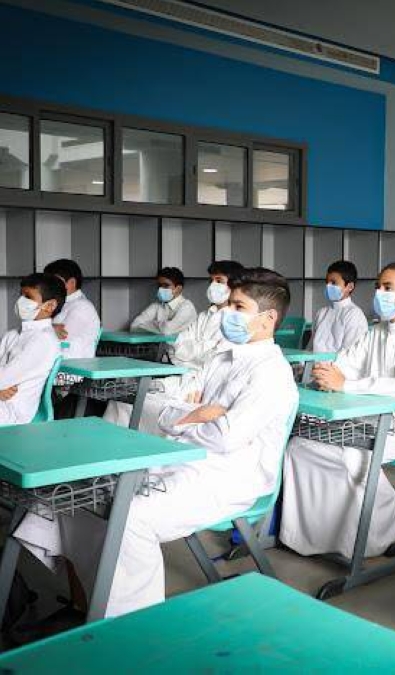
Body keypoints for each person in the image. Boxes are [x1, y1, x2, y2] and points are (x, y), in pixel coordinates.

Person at [14, 268, 298, 618]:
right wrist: (195, 415)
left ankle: (130, 625)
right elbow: (173, 406)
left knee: (131, 517)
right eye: (229, 304)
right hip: (183, 455)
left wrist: (188, 417)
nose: (226, 313)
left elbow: (226, 437)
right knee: (80, 491)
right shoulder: (221, 357)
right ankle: (85, 602)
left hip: (229, 477)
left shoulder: (271, 374)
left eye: (238, 307)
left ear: (268, 319)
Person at [280, 262, 395, 559]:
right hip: (370, 420)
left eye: (388, 288)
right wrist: (326, 372)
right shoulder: (375, 332)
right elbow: (346, 362)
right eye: (378, 287)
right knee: (300, 446)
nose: (379, 293)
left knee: (353, 456)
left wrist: (347, 385)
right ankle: (319, 533)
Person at [103, 260, 244, 434]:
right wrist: (203, 347)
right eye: (211, 281)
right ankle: (116, 442)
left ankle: (143, 446)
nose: (212, 285)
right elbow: (177, 348)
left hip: (200, 384)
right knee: (122, 397)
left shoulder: (235, 321)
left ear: (234, 285)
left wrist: (191, 348)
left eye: (219, 281)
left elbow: (215, 357)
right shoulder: (204, 315)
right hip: (182, 375)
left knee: (155, 407)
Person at [0, 274, 65, 425]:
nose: (20, 301)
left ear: (50, 305)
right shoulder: (12, 334)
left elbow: (2, 379)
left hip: (12, 411)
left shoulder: (43, 340)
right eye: (21, 295)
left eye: (28, 297)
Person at [43, 259, 100, 359]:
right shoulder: (61, 303)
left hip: (72, 365)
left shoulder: (82, 307)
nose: (50, 287)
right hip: (57, 360)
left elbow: (62, 337)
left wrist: (45, 327)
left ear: (72, 283)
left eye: (55, 282)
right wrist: (50, 328)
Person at [310, 260, 368, 353]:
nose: (328, 286)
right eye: (327, 282)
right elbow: (310, 347)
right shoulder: (321, 313)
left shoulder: (354, 314)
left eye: (333, 283)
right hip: (313, 361)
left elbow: (350, 354)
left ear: (350, 287)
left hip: (338, 363)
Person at [130, 267, 196, 335]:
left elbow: (167, 330)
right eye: (159, 285)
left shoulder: (187, 307)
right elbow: (134, 326)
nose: (160, 289)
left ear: (178, 289)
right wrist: (161, 325)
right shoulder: (156, 306)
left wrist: (150, 324)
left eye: (166, 285)